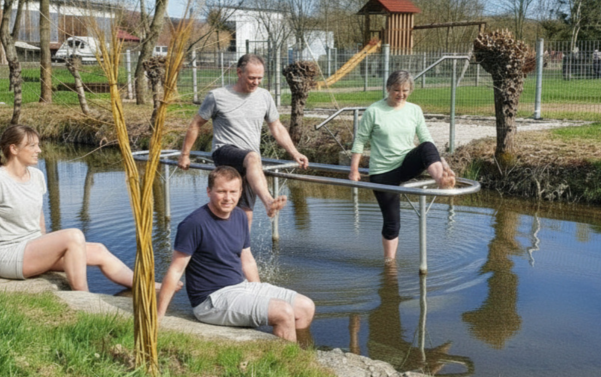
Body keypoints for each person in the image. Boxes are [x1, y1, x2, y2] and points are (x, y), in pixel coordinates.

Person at [0, 124, 140, 292]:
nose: (38, 150)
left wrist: (45, 245)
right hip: (8, 256)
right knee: (73, 236)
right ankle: (83, 298)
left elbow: (39, 215)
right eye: (32, 146)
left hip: (32, 247)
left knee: (98, 250)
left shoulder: (37, 176)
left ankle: (150, 287)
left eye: (38, 145)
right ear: (13, 148)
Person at [157, 166, 315, 342]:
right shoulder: (194, 224)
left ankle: (300, 358)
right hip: (211, 300)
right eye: (221, 191)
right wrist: (158, 316)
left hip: (240, 287)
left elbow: (247, 261)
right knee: (283, 311)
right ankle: (285, 365)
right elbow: (175, 271)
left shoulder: (240, 216)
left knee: (305, 307)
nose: (228, 198)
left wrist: (259, 294)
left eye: (233, 191)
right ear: (209, 191)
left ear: (240, 192)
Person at [177, 53, 308, 224]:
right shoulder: (217, 96)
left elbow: (276, 127)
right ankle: (269, 202)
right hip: (224, 152)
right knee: (252, 158)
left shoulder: (264, 96)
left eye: (260, 78)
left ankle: (242, 249)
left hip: (250, 163)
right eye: (252, 77)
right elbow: (196, 124)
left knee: (245, 211)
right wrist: (185, 154)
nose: (256, 82)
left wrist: (294, 152)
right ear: (239, 72)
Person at [348, 70, 456, 261]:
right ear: (388, 88)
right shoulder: (374, 111)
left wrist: (445, 166)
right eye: (396, 90)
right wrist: (354, 170)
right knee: (392, 223)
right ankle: (389, 263)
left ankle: (441, 178)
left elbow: (427, 140)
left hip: (405, 163)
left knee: (426, 147)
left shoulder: (414, 110)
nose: (401, 94)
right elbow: (360, 141)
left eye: (405, 90)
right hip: (383, 171)